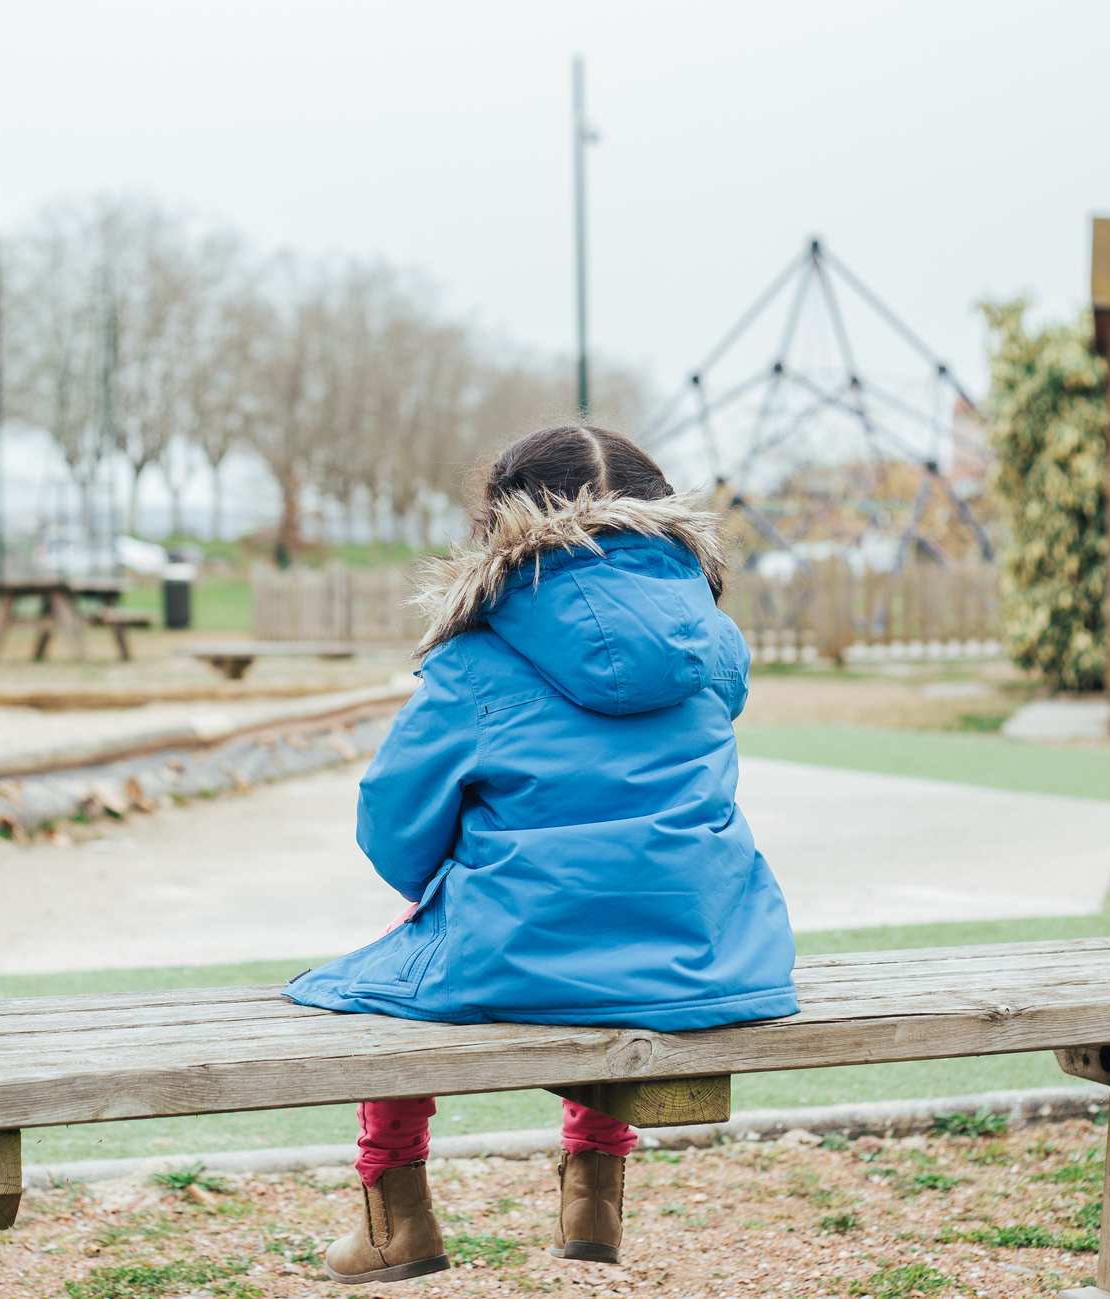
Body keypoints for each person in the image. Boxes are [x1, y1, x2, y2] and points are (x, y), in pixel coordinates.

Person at [285, 425, 797, 1283]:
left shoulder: (476, 657)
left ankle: (394, 1215)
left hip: (520, 951)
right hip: (707, 950)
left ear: (502, 521)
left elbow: (391, 819)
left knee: (399, 964)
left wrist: (447, 883)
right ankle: (593, 1196)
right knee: (610, 927)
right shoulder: (710, 645)